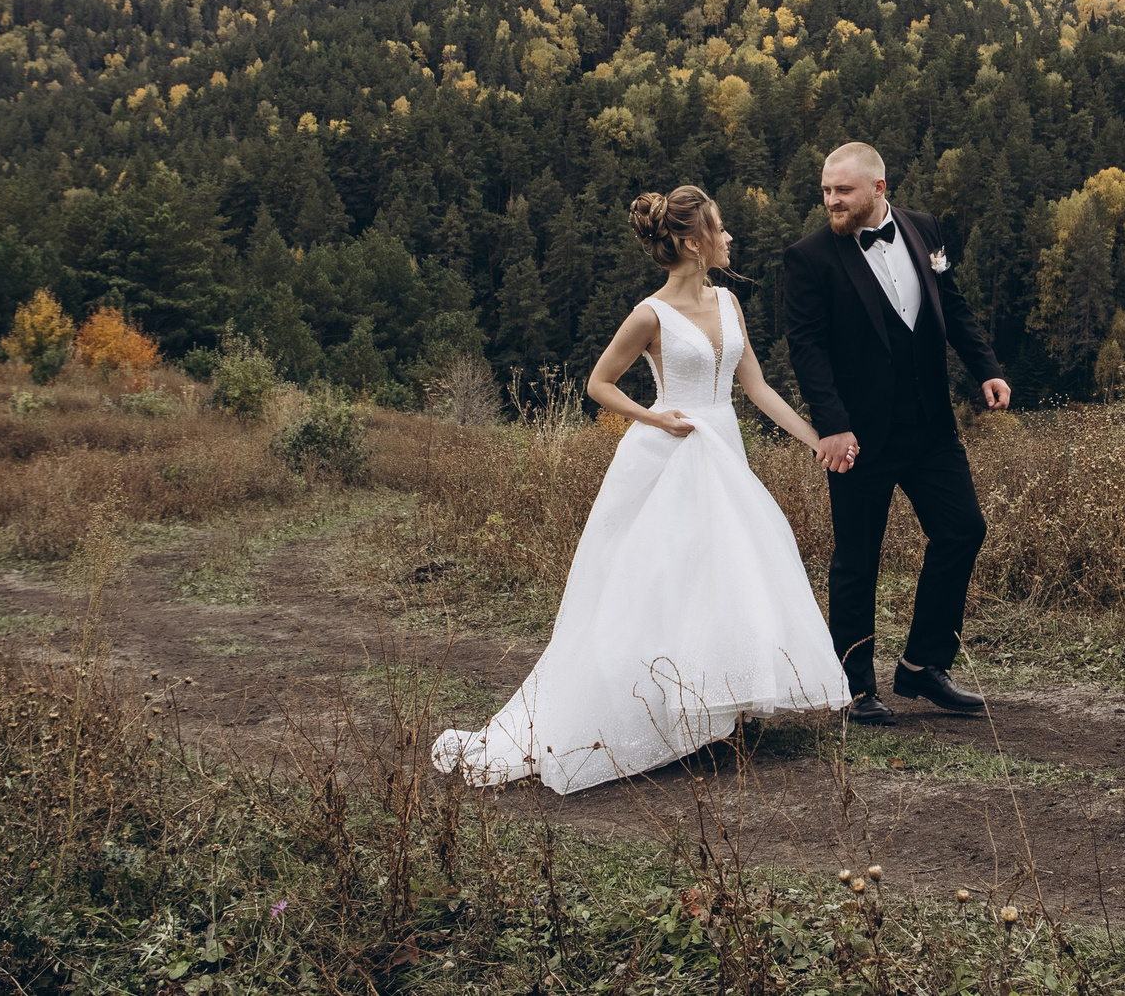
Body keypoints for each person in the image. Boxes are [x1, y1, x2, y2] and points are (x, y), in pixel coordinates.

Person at [431, 187, 849, 793]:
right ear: (690, 241)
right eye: (720, 228)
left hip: (723, 451)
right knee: (659, 579)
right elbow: (599, 383)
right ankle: (658, 710)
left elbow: (755, 387)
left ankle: (714, 705)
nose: (729, 237)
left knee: (723, 573)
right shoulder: (649, 313)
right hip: (668, 451)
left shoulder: (730, 302)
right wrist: (655, 418)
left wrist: (817, 440)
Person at [780, 142, 1010, 725]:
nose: (830, 200)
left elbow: (950, 306)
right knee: (858, 559)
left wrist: (986, 368)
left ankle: (923, 667)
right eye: (826, 190)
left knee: (962, 531)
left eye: (843, 191)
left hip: (931, 426)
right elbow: (806, 350)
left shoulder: (924, 229)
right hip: (859, 438)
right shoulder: (809, 257)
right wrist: (831, 428)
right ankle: (855, 686)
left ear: (879, 188)